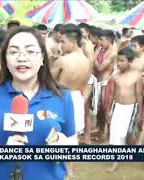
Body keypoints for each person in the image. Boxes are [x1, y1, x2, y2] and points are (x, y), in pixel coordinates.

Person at [0, 27, 77, 180]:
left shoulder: (62, 96)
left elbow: (72, 140)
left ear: (42, 58)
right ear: (5, 59)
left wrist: (64, 146)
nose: (22, 58)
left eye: (30, 51)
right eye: (14, 52)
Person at [51, 24, 90, 176]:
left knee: (54, 131)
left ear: (72, 43)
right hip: (76, 96)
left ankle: (55, 165)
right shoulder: (86, 60)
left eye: (63, 42)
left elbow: (50, 81)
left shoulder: (63, 60)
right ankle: (70, 168)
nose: (61, 45)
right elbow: (86, 82)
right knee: (72, 134)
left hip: (61, 97)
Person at [106, 47, 143, 172]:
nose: (119, 63)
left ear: (130, 61)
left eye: (122, 61)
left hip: (130, 108)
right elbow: (111, 94)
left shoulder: (137, 76)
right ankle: (115, 161)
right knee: (115, 133)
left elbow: (139, 95)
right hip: (117, 107)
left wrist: (139, 112)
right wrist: (108, 109)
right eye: (118, 61)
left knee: (125, 134)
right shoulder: (115, 76)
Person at [93, 29, 117, 142]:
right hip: (98, 81)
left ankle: (108, 134)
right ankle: (100, 129)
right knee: (99, 109)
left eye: (102, 39)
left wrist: (93, 55)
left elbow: (100, 68)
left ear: (108, 40)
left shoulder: (112, 52)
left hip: (105, 83)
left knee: (106, 109)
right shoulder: (103, 49)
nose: (99, 42)